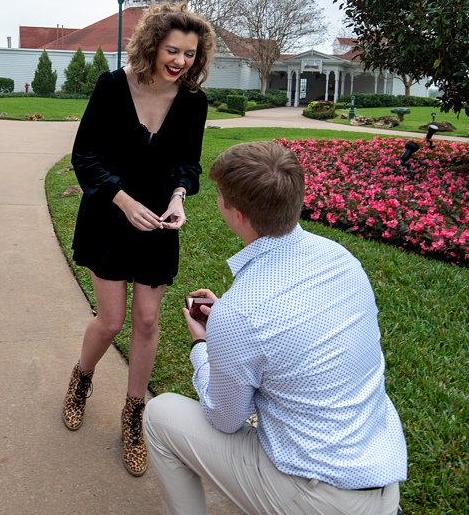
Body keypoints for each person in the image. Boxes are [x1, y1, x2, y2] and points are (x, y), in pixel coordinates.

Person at [144, 141, 407, 515]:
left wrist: (203, 345)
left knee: (160, 415)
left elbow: (225, 417)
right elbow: (292, 330)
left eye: (219, 197)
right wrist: (232, 329)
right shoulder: (342, 260)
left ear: (237, 216)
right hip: (382, 478)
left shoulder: (241, 313)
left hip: (319, 496)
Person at [62, 2, 216, 477]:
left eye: (190, 54)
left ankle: (133, 416)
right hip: (110, 216)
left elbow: (189, 164)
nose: (181, 61)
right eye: (173, 49)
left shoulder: (192, 102)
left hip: (157, 224)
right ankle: (80, 381)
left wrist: (178, 198)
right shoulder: (112, 86)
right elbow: (84, 155)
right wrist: (124, 201)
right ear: (152, 44)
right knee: (110, 322)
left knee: (147, 322)